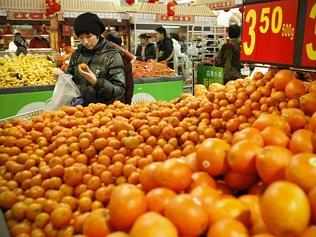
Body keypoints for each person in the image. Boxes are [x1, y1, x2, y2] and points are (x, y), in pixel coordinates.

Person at [66, 12, 125, 106]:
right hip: (80, 111)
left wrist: (96, 82)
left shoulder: (112, 55)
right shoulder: (77, 54)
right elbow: (71, 81)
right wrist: (63, 78)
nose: (85, 42)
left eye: (89, 36)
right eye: (81, 38)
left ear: (98, 34)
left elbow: (119, 90)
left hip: (103, 112)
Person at [106, 31, 134, 105]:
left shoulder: (106, 57)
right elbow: (129, 85)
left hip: (109, 103)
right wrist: (128, 103)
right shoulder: (125, 57)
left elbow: (129, 84)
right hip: (120, 102)